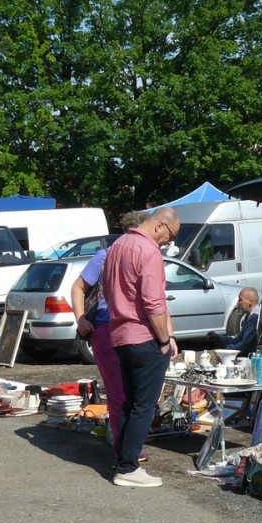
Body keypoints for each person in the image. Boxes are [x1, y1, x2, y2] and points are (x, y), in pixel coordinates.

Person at [102, 207, 181, 488]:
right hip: (143, 336)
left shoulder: (118, 244)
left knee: (129, 403)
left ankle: (123, 460)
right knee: (143, 406)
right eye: (169, 236)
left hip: (120, 334)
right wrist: (164, 339)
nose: (168, 242)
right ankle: (128, 468)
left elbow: (108, 290)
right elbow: (153, 302)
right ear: (160, 226)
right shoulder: (148, 251)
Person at [71, 211, 147, 452]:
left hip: (135, 332)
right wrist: (81, 319)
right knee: (119, 393)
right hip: (106, 329)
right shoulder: (105, 256)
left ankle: (126, 444)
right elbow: (78, 287)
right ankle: (122, 448)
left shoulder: (146, 256)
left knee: (135, 392)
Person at [209, 287, 261, 355]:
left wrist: (227, 350)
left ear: (250, 302)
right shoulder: (248, 316)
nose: (238, 303)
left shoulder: (254, 318)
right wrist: (219, 338)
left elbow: (245, 345)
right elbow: (238, 338)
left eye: (240, 300)